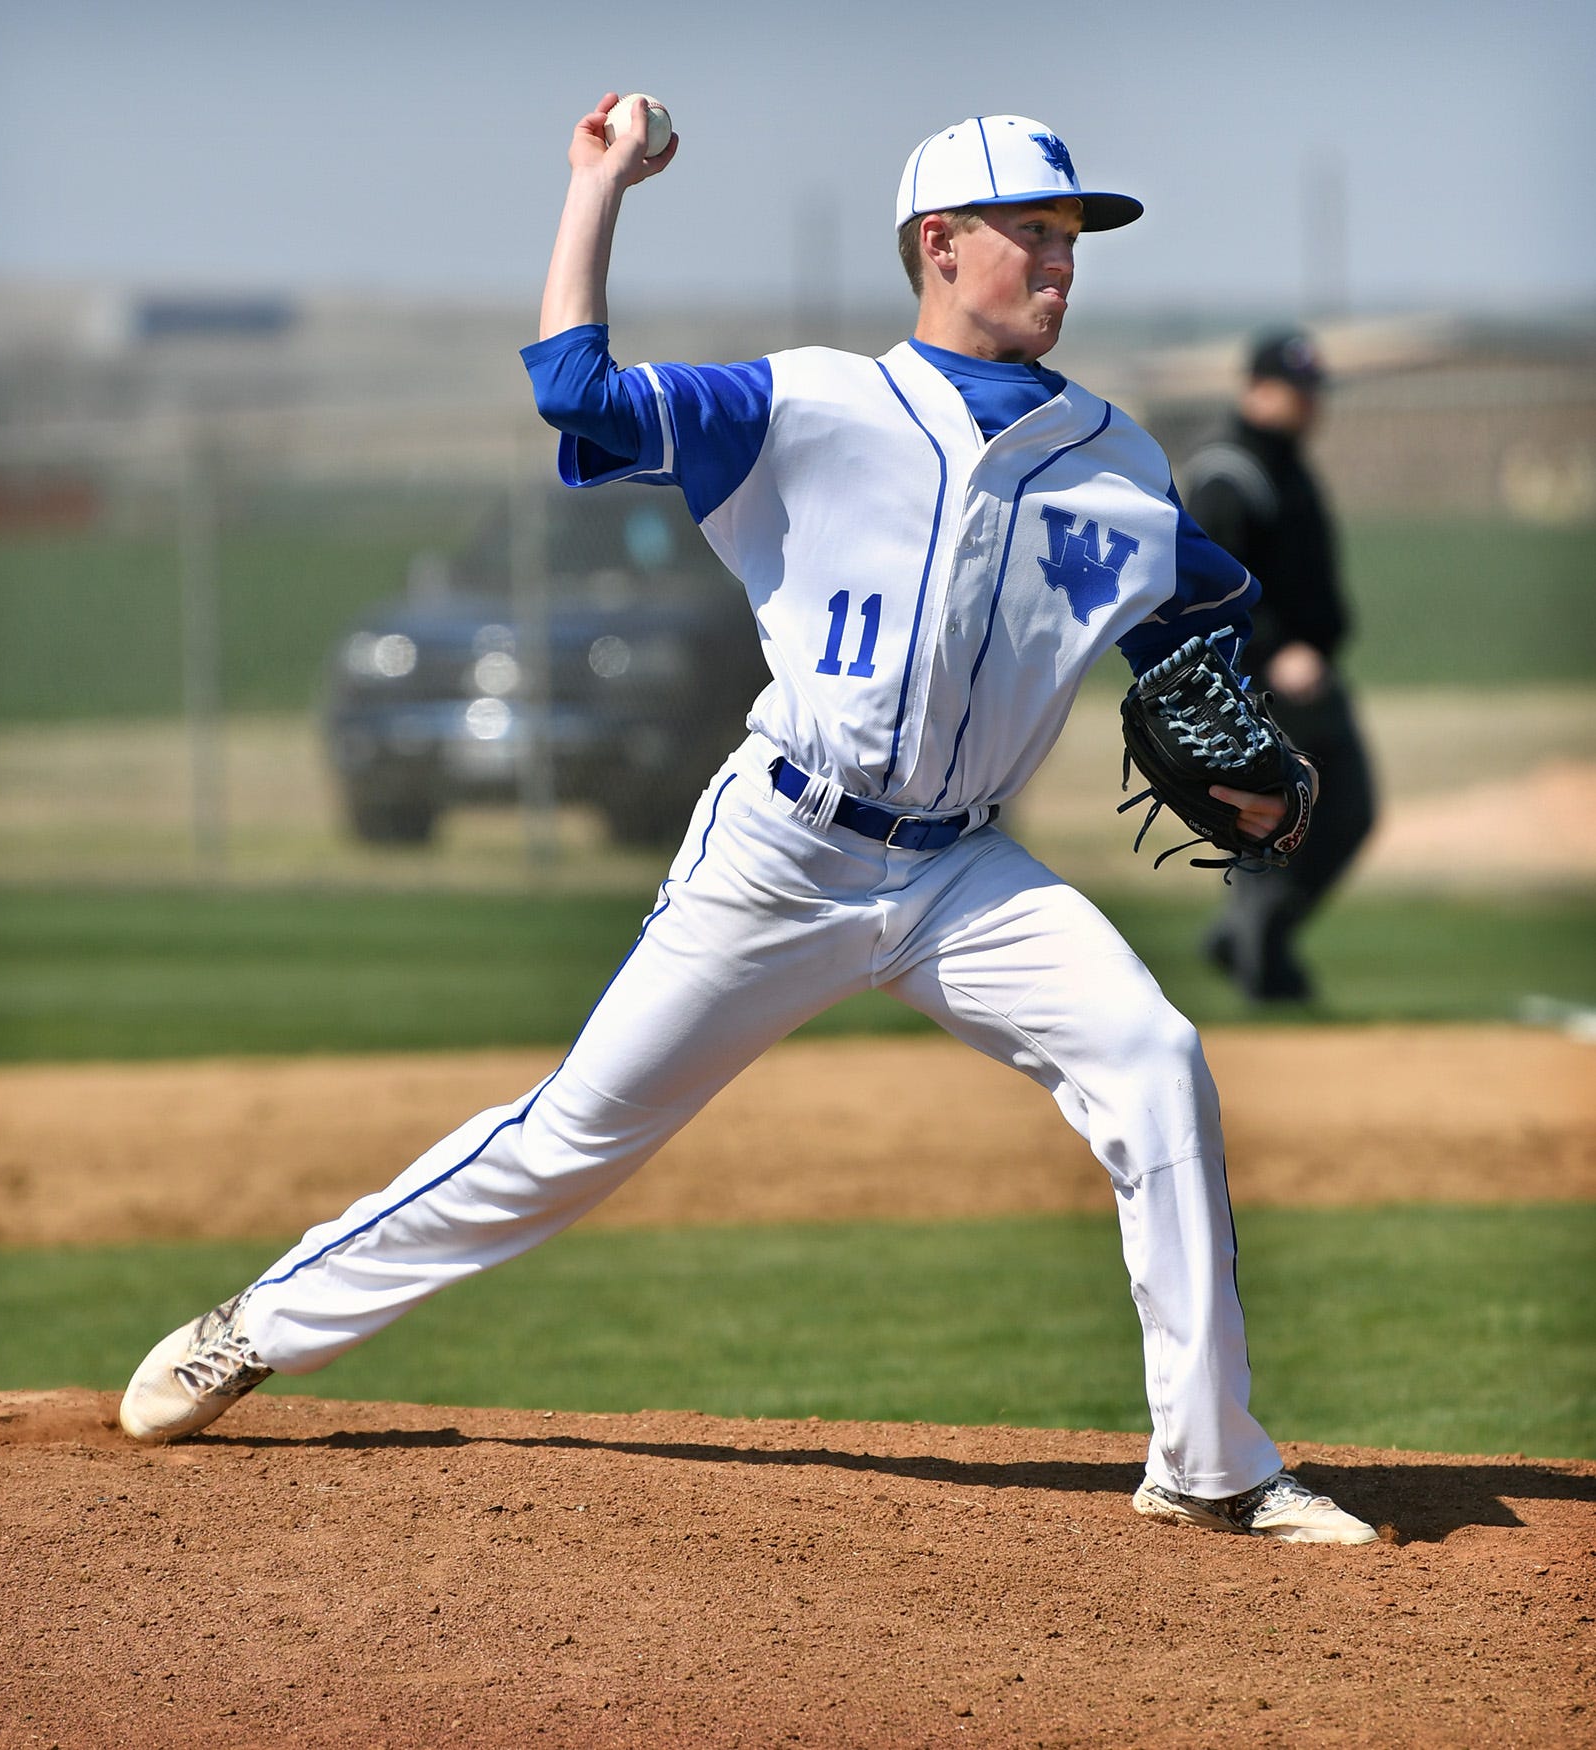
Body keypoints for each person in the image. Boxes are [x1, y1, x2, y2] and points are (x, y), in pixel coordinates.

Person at [119, 99, 1377, 1545]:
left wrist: (1228, 727)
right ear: (938, 245)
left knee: (1154, 1059)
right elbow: (576, 394)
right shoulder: (807, 405)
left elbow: (1193, 621)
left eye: (1069, 236)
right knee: (570, 1138)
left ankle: (1208, 1465)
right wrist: (597, 186)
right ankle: (262, 1323)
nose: (1058, 261)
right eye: (1029, 233)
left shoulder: (1114, 459)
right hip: (782, 851)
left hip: (965, 868)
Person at [1184, 330, 1376, 1003]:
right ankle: (1264, 970)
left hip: (1313, 677)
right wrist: (1270, 650)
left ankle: (1248, 939)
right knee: (1274, 823)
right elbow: (1206, 591)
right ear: (1255, 390)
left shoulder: (1286, 465)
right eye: (1296, 391)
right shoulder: (1226, 473)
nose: (1308, 405)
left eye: (1312, 392)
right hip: (1257, 689)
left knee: (1349, 812)